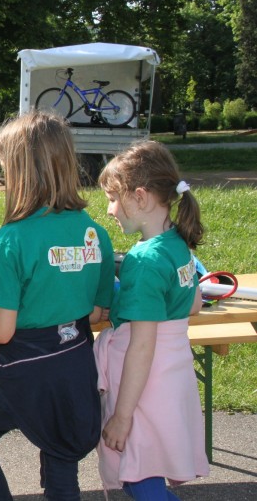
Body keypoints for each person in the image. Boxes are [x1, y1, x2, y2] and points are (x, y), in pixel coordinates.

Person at [0, 111, 116, 501]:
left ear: (20, 173)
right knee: (62, 456)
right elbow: (97, 313)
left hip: (18, 372)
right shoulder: (94, 233)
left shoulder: (10, 240)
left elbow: (1, 330)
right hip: (71, 367)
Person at [94, 141, 209, 499]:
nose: (109, 210)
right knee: (146, 472)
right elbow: (193, 304)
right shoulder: (177, 243)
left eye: (113, 199)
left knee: (139, 475)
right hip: (172, 375)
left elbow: (142, 345)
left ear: (140, 197)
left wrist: (122, 416)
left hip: (142, 386)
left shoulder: (143, 262)